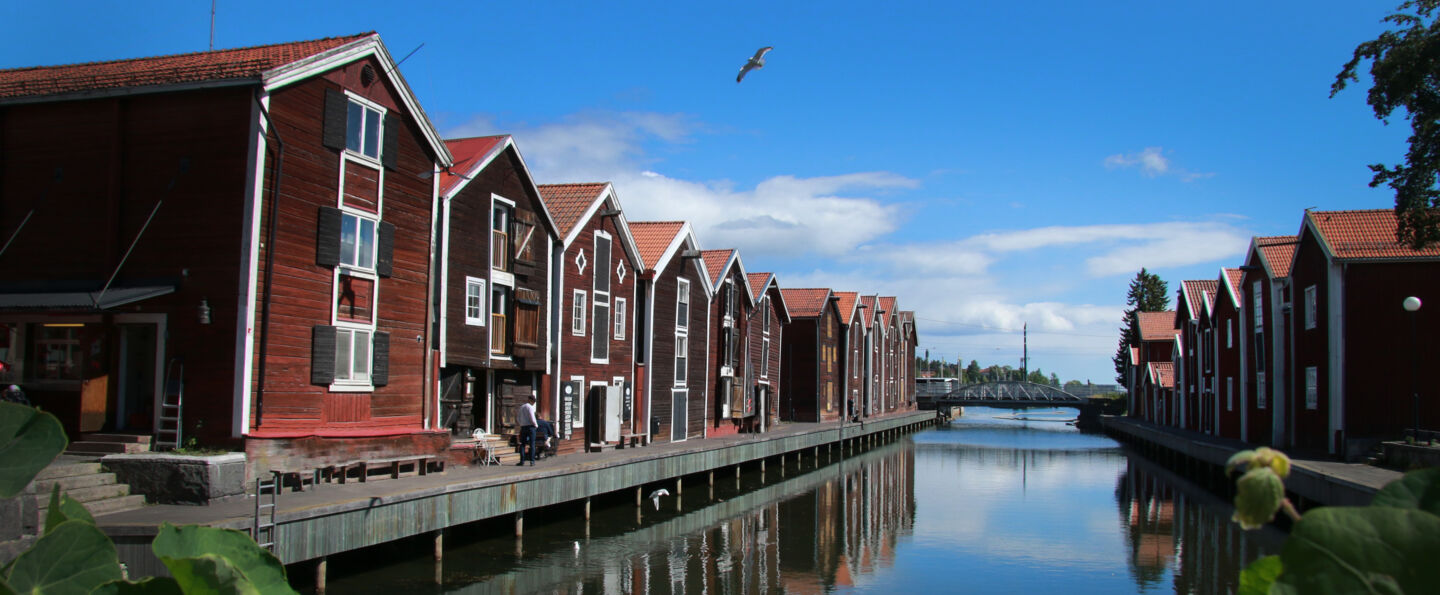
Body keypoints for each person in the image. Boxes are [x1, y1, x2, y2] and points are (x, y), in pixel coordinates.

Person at [516, 395, 538, 466]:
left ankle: (522, 461)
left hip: (523, 427)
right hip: (530, 427)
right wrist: (535, 425)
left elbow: (518, 418)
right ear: (531, 400)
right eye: (533, 401)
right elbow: (532, 417)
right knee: (532, 444)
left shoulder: (522, 407)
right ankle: (532, 461)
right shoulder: (530, 407)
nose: (533, 403)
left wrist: (521, 424)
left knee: (522, 444)